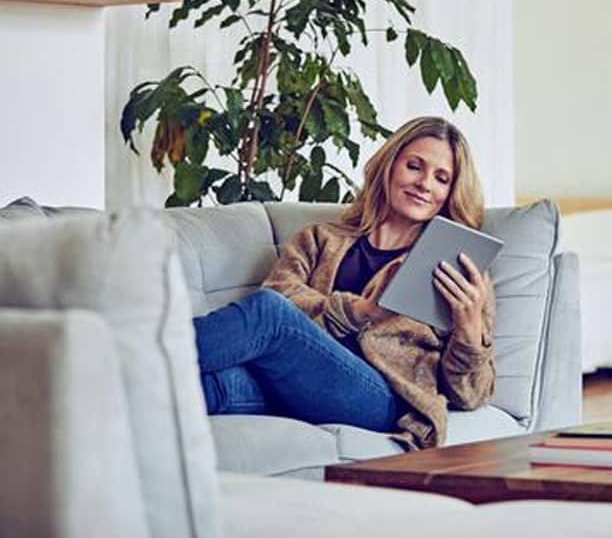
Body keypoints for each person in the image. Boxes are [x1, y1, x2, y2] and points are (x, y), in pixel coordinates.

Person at [192, 116, 495, 449]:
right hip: (291, 383)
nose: (425, 183)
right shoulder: (320, 239)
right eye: (414, 166)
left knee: (267, 311)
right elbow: (281, 293)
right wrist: (359, 311)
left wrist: (469, 334)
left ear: (451, 192)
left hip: (378, 398)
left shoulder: (455, 267)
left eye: (441, 178)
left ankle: (135, 347)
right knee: (205, 383)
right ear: (389, 166)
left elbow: (472, 395)